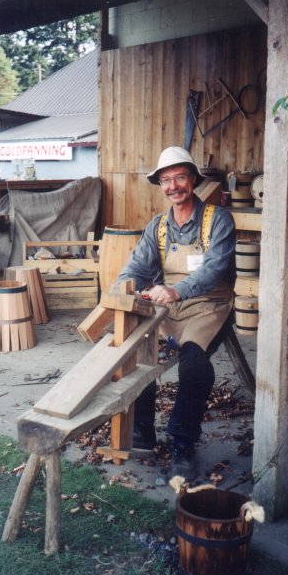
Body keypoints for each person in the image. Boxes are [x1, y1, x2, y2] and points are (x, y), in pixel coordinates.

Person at [116, 146, 236, 480]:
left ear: (193, 179)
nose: (173, 187)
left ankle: (183, 443)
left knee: (194, 365)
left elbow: (214, 270)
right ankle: (142, 431)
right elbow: (136, 268)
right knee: (139, 348)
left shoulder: (219, 219)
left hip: (209, 306)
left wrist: (174, 290)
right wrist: (122, 290)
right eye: (166, 180)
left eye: (180, 177)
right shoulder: (158, 226)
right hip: (171, 307)